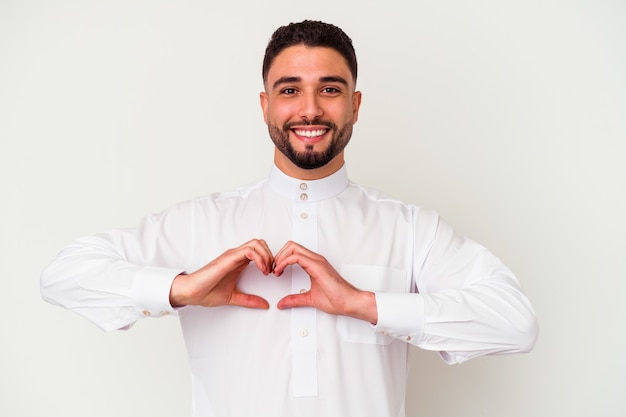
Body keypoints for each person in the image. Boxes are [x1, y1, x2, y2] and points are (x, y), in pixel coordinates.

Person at [41, 20, 538, 417]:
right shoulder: (199, 222)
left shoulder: (409, 229)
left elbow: (515, 324)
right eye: (289, 90)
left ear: (355, 105)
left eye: (329, 89)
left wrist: (366, 304)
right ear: (264, 106)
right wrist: (180, 290)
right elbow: (62, 276)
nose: (309, 110)